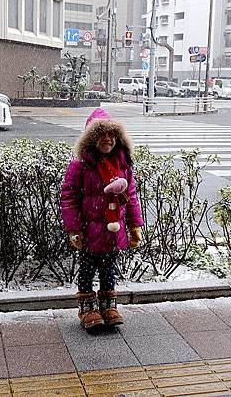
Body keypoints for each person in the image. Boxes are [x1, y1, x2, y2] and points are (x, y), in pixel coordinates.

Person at [61, 108, 144, 331]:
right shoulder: (80, 165)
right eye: (101, 135)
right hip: (89, 230)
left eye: (111, 135)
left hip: (112, 230)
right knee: (87, 269)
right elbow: (69, 197)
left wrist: (135, 224)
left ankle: (108, 307)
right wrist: (74, 229)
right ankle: (87, 309)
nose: (107, 140)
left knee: (109, 269)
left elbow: (131, 195)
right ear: (91, 139)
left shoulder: (123, 163)